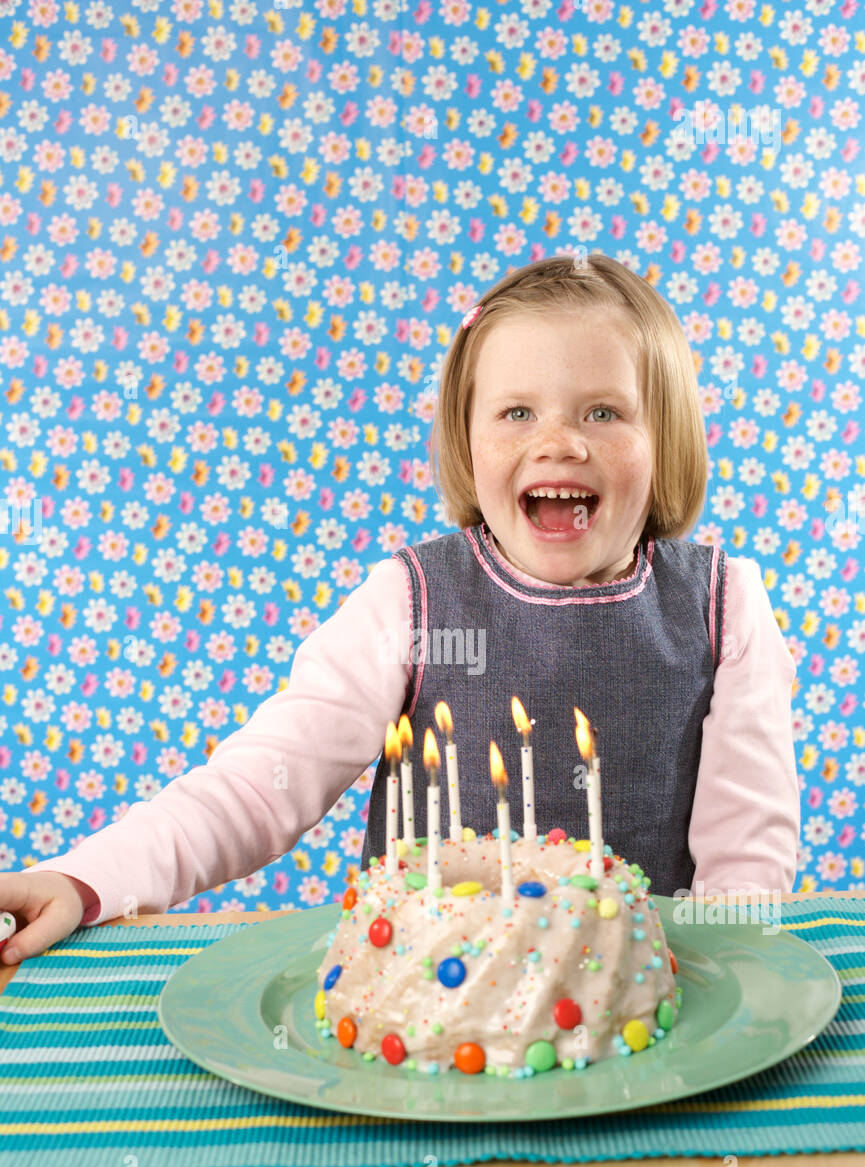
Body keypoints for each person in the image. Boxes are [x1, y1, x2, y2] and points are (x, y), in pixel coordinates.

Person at [0, 253, 799, 965]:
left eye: (603, 411)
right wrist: (83, 879)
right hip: (425, 1014)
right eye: (517, 412)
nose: (559, 441)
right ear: (467, 436)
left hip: (638, 1021)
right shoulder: (411, 604)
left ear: (668, 439)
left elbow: (744, 867)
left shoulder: (722, 607)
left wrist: (718, 1000)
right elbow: (253, 790)